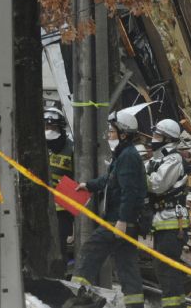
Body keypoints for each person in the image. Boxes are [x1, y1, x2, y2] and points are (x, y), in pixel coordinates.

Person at [71, 111, 147, 308]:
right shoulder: (123, 154)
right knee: (127, 267)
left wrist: (122, 221)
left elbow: (130, 192)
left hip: (118, 221)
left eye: (112, 131)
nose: (108, 135)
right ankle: (135, 305)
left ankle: (78, 299)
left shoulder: (128, 156)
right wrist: (88, 185)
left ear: (123, 134)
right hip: (126, 222)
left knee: (91, 250)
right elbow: (109, 180)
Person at [145, 119, 189, 308]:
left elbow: (156, 184)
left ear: (167, 139)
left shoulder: (173, 160)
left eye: (157, 135)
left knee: (166, 269)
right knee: (163, 268)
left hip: (173, 222)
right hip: (161, 221)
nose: (153, 139)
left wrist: (137, 175)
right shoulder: (157, 159)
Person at [44, 107, 75, 267]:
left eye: (53, 128)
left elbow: (78, 180)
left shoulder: (71, 149)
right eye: (47, 127)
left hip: (63, 211)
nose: (49, 131)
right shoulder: (39, 147)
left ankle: (60, 273)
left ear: (61, 128)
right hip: (41, 207)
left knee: (59, 246)